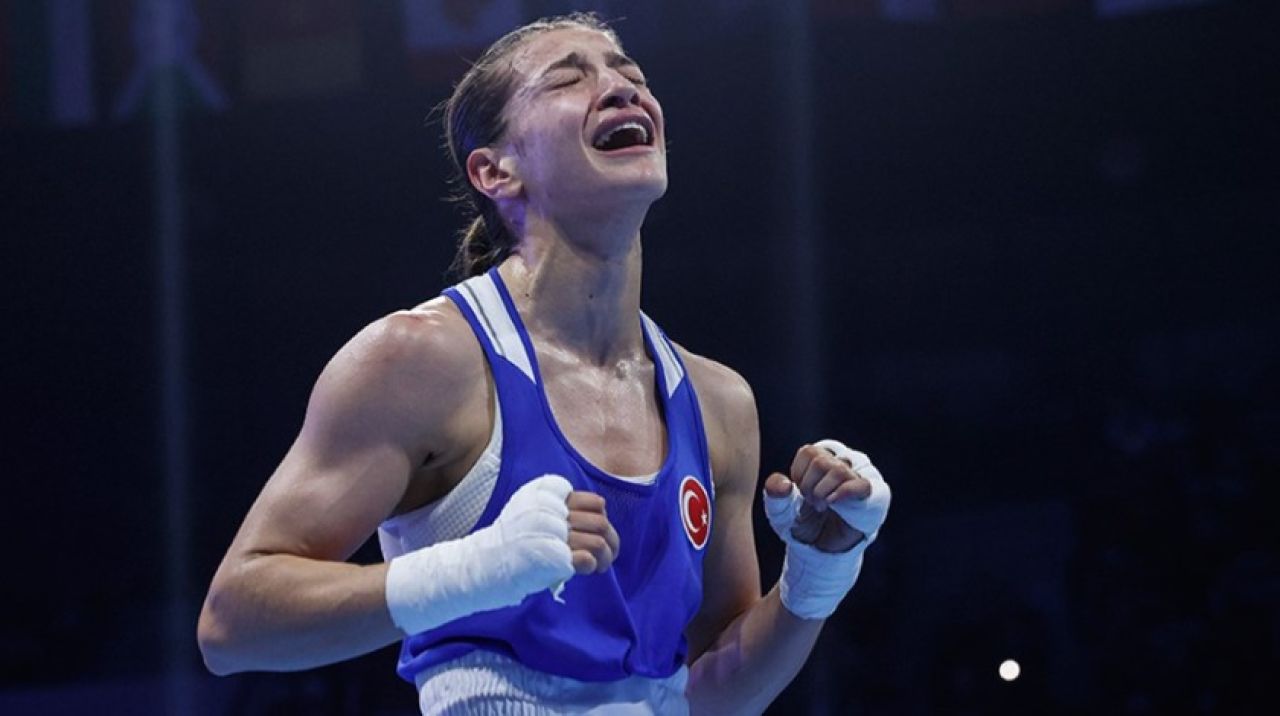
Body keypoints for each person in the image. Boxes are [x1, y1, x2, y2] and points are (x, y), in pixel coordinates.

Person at [196, 12, 891, 715]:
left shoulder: (719, 403)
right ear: (495, 170)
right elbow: (231, 626)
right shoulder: (421, 362)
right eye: (568, 79)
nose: (622, 88)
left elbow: (714, 693)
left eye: (631, 74)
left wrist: (816, 578)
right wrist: (476, 567)